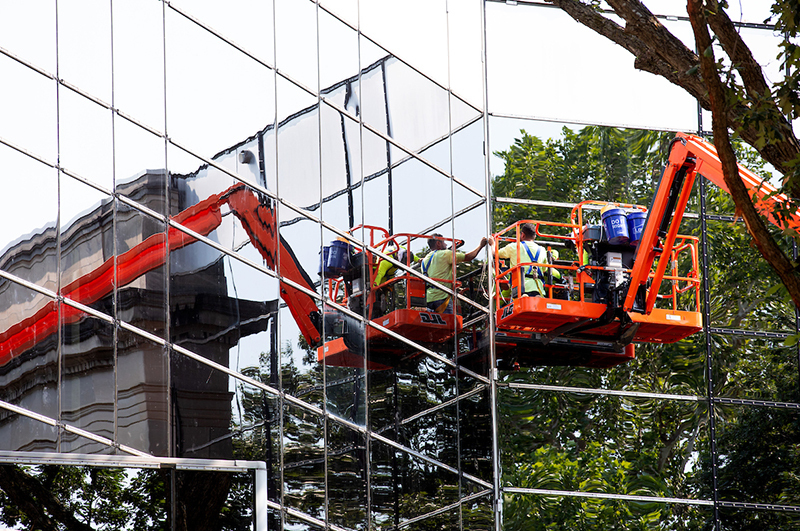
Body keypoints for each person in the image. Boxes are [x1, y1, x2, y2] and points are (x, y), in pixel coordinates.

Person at [420, 233, 488, 314]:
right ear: (438, 243)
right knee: (449, 325)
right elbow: (469, 257)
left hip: (428, 299)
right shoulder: (445, 254)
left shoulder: (424, 261)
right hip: (442, 298)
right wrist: (481, 245)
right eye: (444, 242)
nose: (446, 244)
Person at [494, 223, 550, 297]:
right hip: (539, 290)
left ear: (522, 235)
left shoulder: (514, 247)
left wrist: (492, 244)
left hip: (520, 290)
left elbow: (495, 254)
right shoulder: (542, 250)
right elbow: (544, 270)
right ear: (535, 236)